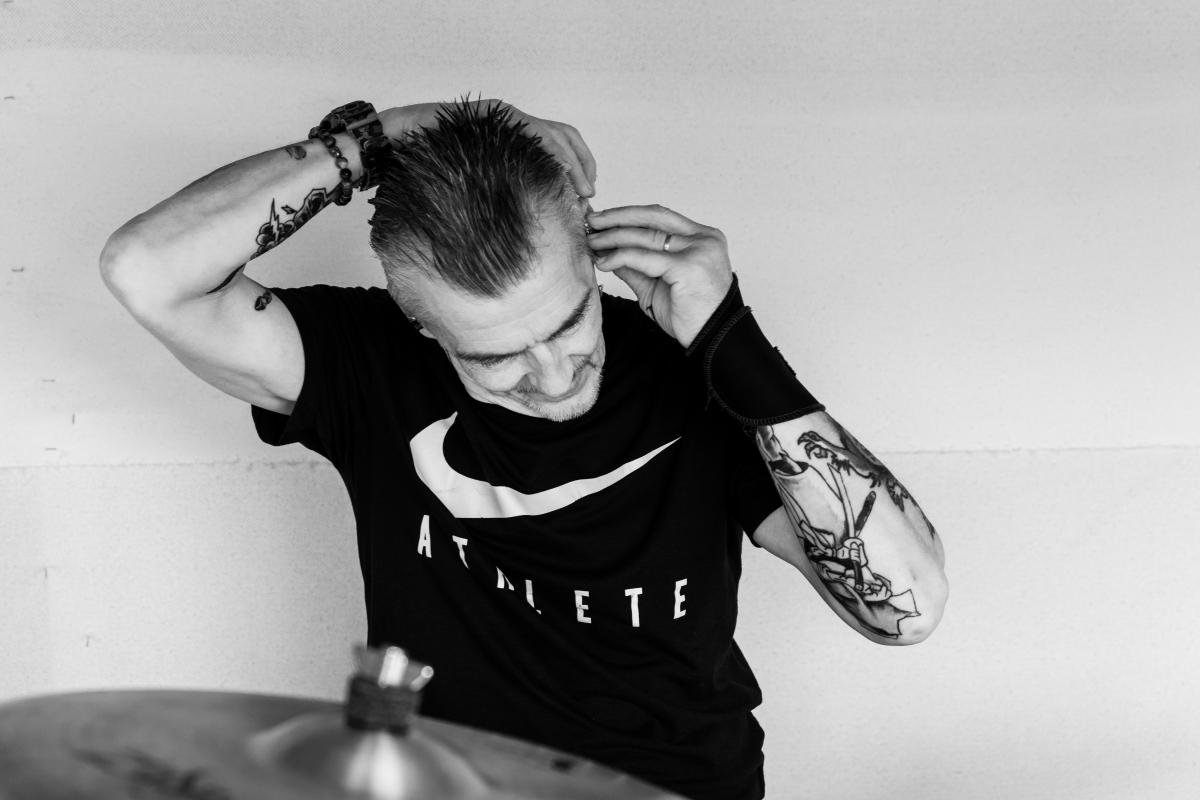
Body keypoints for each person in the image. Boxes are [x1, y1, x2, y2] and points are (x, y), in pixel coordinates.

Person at [100, 96, 948, 800]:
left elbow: (903, 612)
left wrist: (734, 340)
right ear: (422, 326)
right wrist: (389, 135)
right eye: (495, 357)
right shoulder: (369, 365)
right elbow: (145, 268)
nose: (551, 375)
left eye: (570, 323)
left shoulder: (694, 368)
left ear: (592, 252)